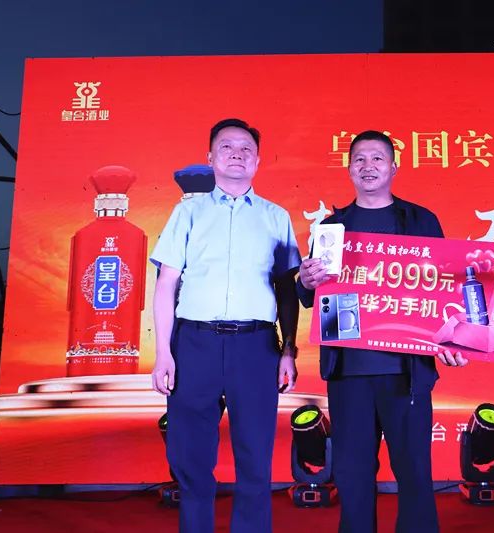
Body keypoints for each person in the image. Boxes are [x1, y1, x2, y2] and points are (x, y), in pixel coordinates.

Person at [298, 130, 467, 533]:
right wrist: (304, 280)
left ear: (394, 167)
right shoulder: (332, 227)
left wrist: (452, 339)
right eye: (359, 159)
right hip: (348, 371)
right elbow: (312, 294)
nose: (368, 166)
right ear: (349, 169)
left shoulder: (420, 221)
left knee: (414, 471)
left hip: (406, 371)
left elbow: (443, 287)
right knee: (352, 474)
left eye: (377, 158)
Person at [151, 118, 301, 533]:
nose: (237, 154)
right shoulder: (188, 212)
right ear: (210, 158)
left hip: (256, 347)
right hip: (194, 343)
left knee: (255, 456)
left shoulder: (276, 217)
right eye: (227, 147)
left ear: (258, 161)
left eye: (246, 148)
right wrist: (163, 353)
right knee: (191, 456)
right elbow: (166, 284)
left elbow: (287, 290)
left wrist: (288, 350)